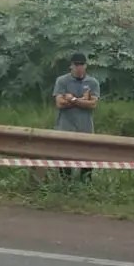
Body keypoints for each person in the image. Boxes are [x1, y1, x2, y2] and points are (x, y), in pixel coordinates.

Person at [52, 52, 100, 182]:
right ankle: (65, 185)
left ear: (86, 66)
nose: (79, 67)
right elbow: (60, 103)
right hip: (65, 127)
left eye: (82, 65)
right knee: (64, 158)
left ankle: (85, 184)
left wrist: (72, 99)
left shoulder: (93, 82)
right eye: (76, 65)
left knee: (87, 158)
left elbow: (93, 104)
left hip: (85, 128)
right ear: (71, 66)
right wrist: (82, 100)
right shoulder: (62, 81)